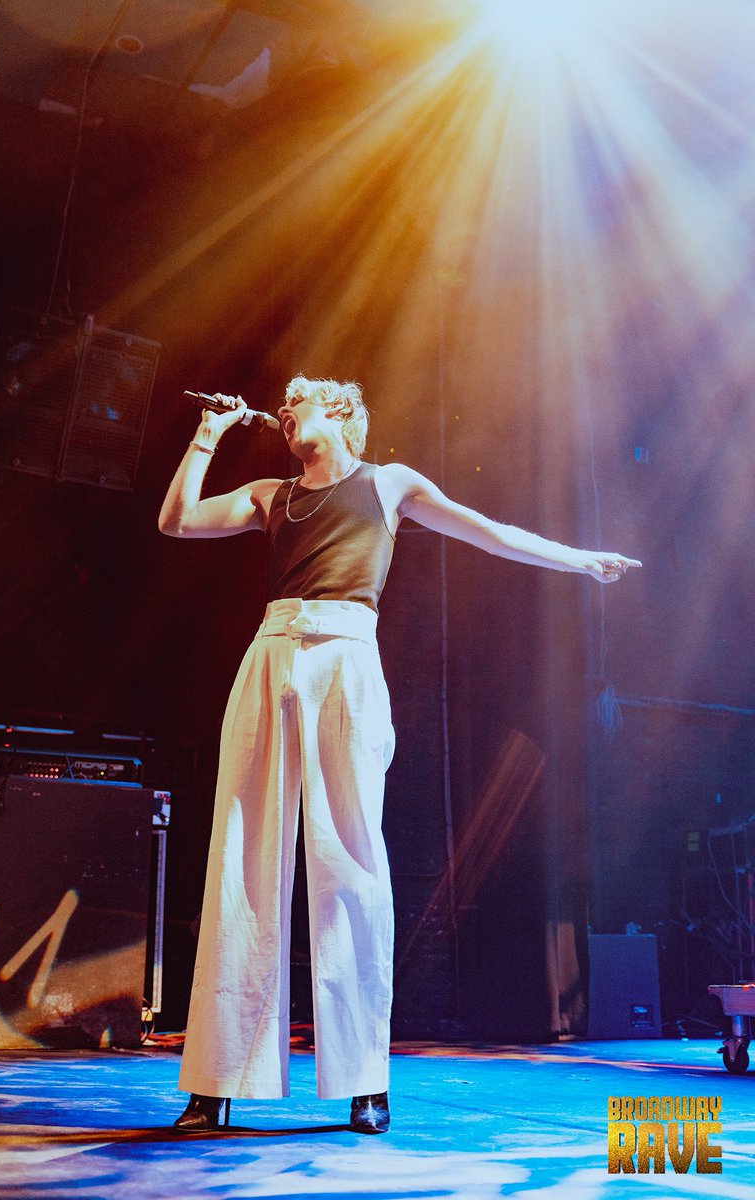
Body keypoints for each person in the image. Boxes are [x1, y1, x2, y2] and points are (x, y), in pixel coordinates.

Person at [158, 375, 640, 1136]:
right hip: (273, 652)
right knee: (243, 854)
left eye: (300, 404)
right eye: (281, 410)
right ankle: (216, 1082)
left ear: (342, 414)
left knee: (349, 862)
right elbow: (178, 520)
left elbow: (488, 531)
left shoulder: (388, 483)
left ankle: (365, 1080)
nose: (286, 416)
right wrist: (209, 434)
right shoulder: (266, 493)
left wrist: (580, 560)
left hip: (346, 654)